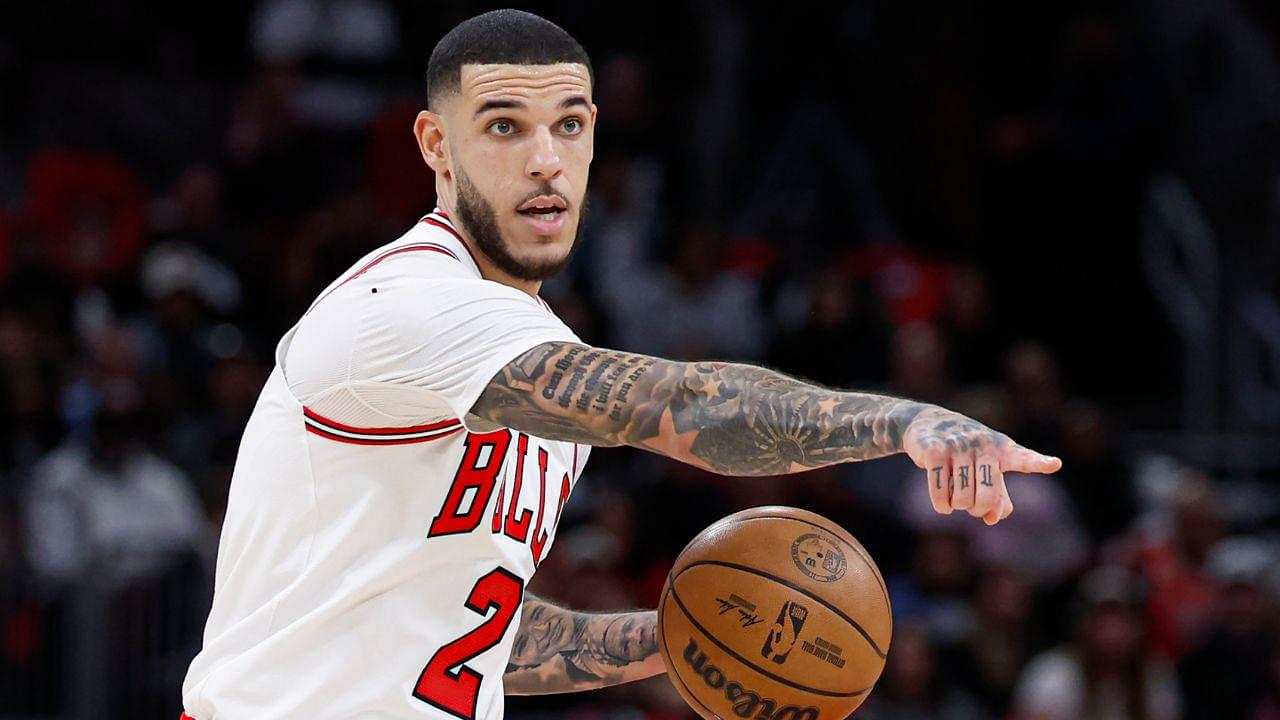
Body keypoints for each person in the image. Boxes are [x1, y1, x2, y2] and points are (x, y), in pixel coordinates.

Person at [180, 9, 1063, 719]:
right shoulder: (409, 305)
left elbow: (463, 627)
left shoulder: (531, 340)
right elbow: (688, 409)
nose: (544, 160)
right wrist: (906, 421)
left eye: (568, 125)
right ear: (434, 146)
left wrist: (686, 631)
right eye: (502, 126)